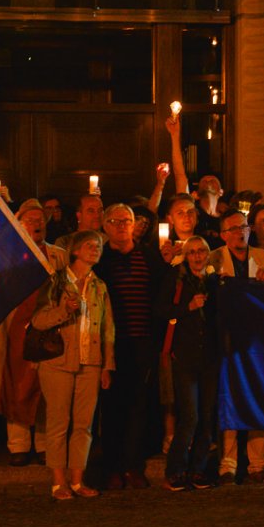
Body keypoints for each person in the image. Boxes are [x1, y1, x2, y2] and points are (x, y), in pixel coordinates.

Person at [0, 199, 68, 466]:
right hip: (14, 327)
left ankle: (43, 444)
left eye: (40, 219)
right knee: (16, 384)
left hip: (48, 326)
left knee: (44, 386)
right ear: (19, 224)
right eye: (29, 220)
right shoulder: (5, 254)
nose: (36, 224)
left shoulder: (58, 254)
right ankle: (18, 444)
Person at [32, 230, 115, 500]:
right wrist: (63, 310)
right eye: (90, 245)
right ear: (76, 251)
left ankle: (78, 480)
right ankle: (58, 482)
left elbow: (107, 329)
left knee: (84, 425)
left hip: (89, 363)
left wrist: (106, 365)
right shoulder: (55, 282)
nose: (96, 250)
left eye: (99, 246)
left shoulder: (99, 286)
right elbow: (38, 321)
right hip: (57, 362)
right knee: (58, 423)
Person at [94, 203, 167, 489]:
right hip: (111, 343)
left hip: (142, 342)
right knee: (111, 407)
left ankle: (133, 466)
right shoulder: (100, 260)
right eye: (115, 221)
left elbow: (161, 296)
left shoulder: (149, 257)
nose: (122, 225)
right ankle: (111, 467)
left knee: (139, 405)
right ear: (105, 226)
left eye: (127, 220)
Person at [208, 208, 264, 484]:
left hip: (258, 341)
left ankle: (257, 465)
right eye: (234, 229)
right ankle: (228, 464)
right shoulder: (212, 258)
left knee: (256, 397)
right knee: (230, 399)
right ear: (224, 234)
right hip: (225, 340)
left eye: (244, 228)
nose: (240, 233)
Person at [155, 237, 220, 491]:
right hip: (184, 357)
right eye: (192, 252)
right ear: (186, 255)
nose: (197, 256)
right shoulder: (177, 279)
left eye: (201, 251)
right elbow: (161, 309)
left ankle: (198, 469)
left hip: (210, 358)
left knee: (206, 416)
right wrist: (188, 306)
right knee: (190, 416)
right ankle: (175, 470)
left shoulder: (215, 282)